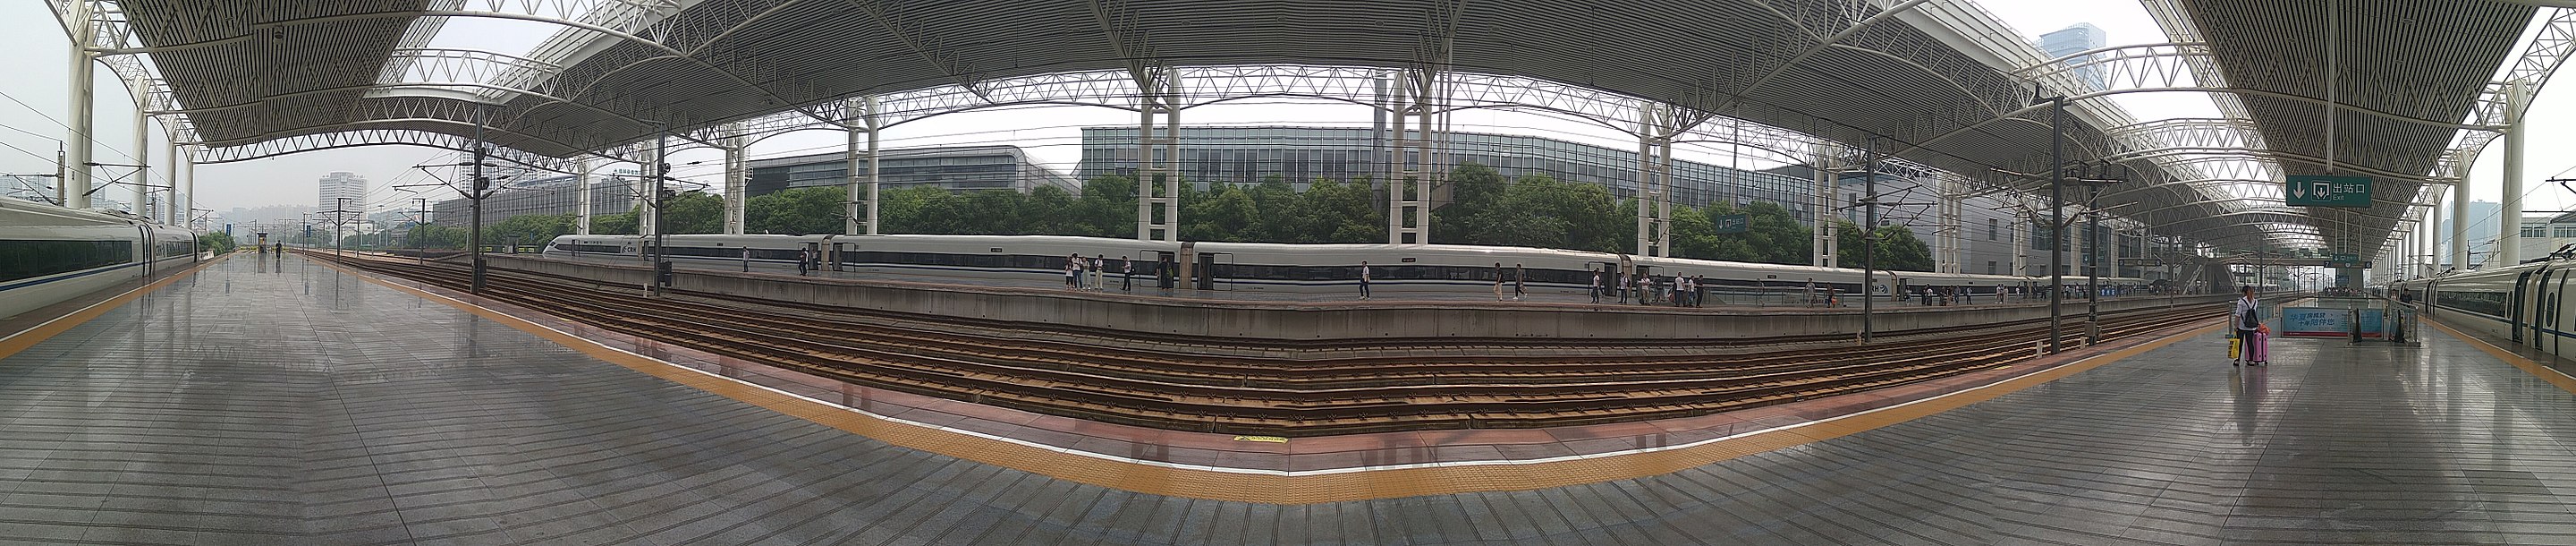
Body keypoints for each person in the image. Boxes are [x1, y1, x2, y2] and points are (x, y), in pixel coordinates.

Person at [2233, 286, 2264, 366]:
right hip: (2251, 326)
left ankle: (2237, 360)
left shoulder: (2241, 301)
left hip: (2242, 326)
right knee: (2250, 343)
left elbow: (2238, 314)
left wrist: (2235, 326)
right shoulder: (2255, 301)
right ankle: (2251, 360)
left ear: (2244, 292)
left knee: (2239, 343)